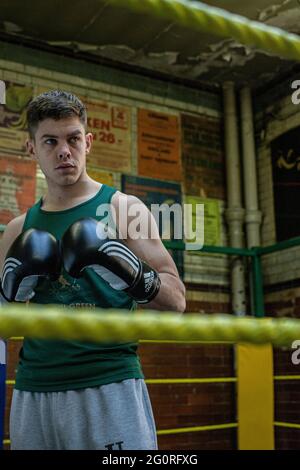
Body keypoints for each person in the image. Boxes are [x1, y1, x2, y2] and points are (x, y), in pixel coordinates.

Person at [0, 90, 186, 450]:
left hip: (109, 383)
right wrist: (11, 288)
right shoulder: (17, 230)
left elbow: (176, 299)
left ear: (88, 142)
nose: (64, 151)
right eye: (50, 141)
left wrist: (128, 270)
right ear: (31, 149)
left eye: (72, 139)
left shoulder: (123, 209)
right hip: (34, 388)